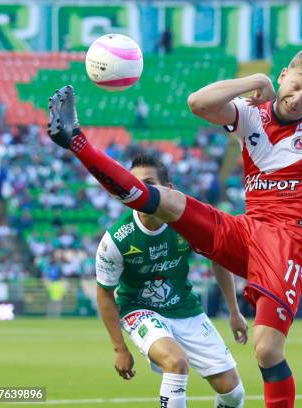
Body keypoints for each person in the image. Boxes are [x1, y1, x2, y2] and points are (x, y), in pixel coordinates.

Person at [46, 49, 302, 407]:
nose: (298, 99)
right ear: (281, 76)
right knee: (165, 199)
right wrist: (253, 82)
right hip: (248, 230)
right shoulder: (252, 114)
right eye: (295, 87)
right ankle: (77, 141)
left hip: (289, 241)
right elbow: (198, 103)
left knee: (266, 350)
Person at [96, 154, 247, 408]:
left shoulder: (187, 223)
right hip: (139, 310)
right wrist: (119, 348)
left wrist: (234, 311)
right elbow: (104, 293)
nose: (140, 190)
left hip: (185, 308)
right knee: (176, 362)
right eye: (134, 184)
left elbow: (218, 258)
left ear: (168, 189)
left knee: (233, 393)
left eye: (148, 183)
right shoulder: (117, 239)